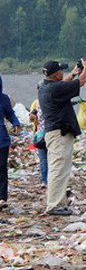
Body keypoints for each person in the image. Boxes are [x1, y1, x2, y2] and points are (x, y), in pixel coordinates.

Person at [38, 58, 86, 216]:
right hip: (59, 134)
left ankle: (58, 203)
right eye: (61, 71)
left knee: (60, 169)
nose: (63, 72)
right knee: (58, 169)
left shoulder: (44, 86)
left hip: (54, 133)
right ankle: (54, 206)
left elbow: (64, 84)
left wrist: (74, 73)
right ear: (55, 75)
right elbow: (81, 83)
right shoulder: (55, 89)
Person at [0, 75, 22, 211]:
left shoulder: (3, 99)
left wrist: (16, 123)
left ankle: (2, 198)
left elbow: (10, 113)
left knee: (2, 169)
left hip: (2, 139)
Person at [29, 83, 48, 189]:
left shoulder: (52, 101)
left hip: (51, 133)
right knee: (44, 159)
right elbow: (31, 117)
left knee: (49, 159)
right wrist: (32, 116)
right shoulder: (37, 103)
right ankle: (45, 181)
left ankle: (49, 181)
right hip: (41, 134)